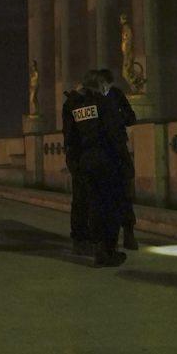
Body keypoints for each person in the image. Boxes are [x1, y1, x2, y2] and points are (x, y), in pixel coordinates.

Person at [62, 70, 132, 267]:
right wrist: (126, 163)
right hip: (107, 161)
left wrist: (74, 163)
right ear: (100, 86)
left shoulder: (72, 105)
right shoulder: (103, 103)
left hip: (84, 162)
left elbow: (69, 138)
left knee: (93, 206)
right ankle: (107, 251)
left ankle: (96, 246)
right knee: (111, 207)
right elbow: (115, 133)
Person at [97, 68, 138, 250]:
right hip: (105, 152)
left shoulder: (115, 95)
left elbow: (131, 118)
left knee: (123, 195)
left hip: (117, 152)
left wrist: (115, 118)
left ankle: (128, 233)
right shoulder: (95, 99)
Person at [61, 81, 92, 256]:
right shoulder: (83, 105)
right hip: (84, 157)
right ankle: (83, 237)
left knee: (80, 198)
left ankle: (80, 238)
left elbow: (68, 133)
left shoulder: (69, 104)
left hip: (77, 156)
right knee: (85, 198)